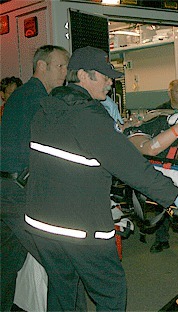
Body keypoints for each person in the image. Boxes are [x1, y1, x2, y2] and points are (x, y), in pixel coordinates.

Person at [23, 46, 178, 311]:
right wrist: (174, 195)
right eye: (104, 75)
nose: (110, 81)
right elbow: (131, 166)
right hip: (81, 229)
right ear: (82, 75)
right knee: (111, 292)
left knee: (62, 291)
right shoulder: (89, 116)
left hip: (42, 225)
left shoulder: (47, 108)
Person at [0, 45, 70, 312]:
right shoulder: (35, 98)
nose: (65, 72)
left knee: (7, 262)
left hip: (7, 189)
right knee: (60, 266)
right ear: (42, 66)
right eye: (60, 66)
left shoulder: (23, 96)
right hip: (18, 194)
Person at [136, 79, 178, 253]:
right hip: (166, 163)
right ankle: (161, 239)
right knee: (163, 201)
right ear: (170, 93)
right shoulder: (158, 113)